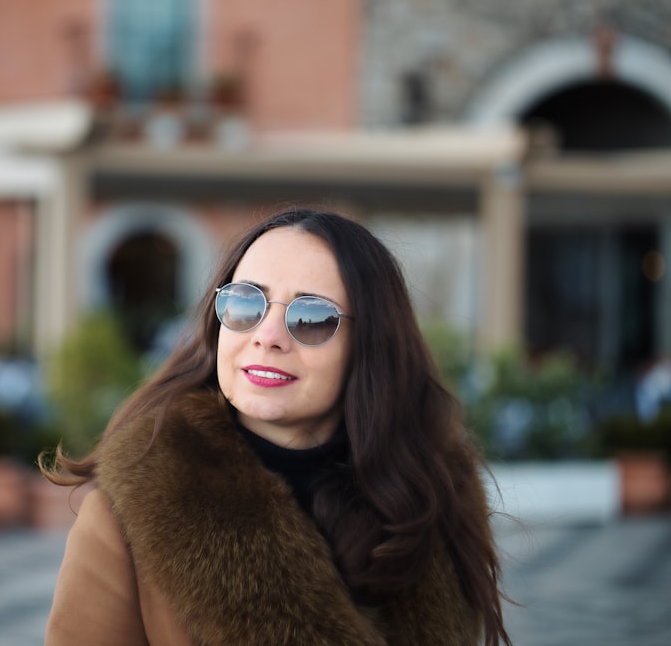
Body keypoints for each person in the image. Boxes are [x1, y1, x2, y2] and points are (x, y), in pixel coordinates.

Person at [41, 207, 511, 645]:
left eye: (311, 316)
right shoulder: (125, 514)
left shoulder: (430, 499)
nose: (267, 337)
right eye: (246, 304)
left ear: (370, 346)